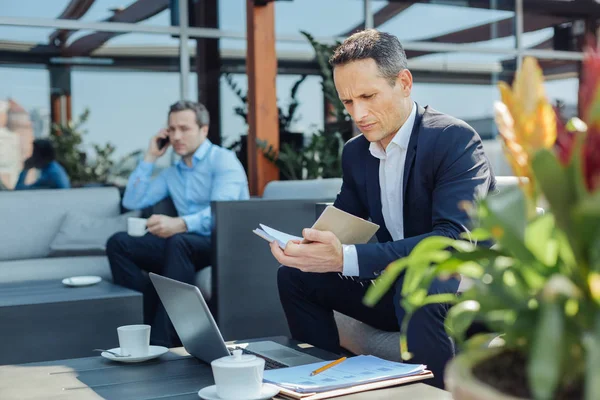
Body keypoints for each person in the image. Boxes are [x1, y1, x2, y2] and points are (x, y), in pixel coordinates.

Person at [272, 29, 495, 389]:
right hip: (396, 292)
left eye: (368, 96)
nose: (358, 114)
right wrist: (308, 252)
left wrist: (344, 258)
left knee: (417, 285)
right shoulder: (357, 153)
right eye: (347, 102)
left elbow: (453, 240)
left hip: (460, 295)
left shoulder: (454, 139)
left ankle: (437, 394)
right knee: (296, 277)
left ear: (404, 83)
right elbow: (345, 223)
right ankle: (321, 384)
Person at [106, 100, 249, 347]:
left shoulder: (223, 161)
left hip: (222, 242)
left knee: (178, 241)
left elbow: (221, 213)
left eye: (184, 128)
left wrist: (180, 223)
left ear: (203, 130)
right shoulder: (173, 172)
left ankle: (167, 341)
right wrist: (150, 157)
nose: (176, 136)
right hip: (184, 243)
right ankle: (141, 327)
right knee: (119, 243)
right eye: (171, 130)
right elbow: (132, 200)